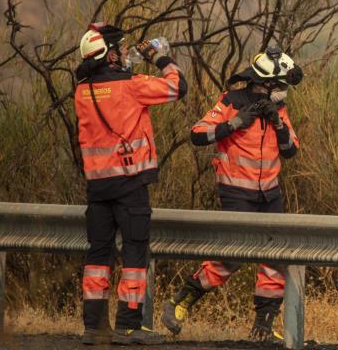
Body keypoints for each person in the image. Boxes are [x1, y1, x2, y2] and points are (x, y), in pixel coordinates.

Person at [162, 47, 302, 343]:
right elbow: (197, 134)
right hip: (237, 191)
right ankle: (181, 300)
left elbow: (290, 151)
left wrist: (277, 123)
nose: (284, 92)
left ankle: (263, 328)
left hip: (270, 195)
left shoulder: (279, 110)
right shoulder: (231, 101)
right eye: (280, 86)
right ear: (264, 83)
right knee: (231, 258)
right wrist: (234, 124)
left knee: (275, 258)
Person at [75, 23, 187, 345]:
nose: (126, 53)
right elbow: (178, 88)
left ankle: (94, 327)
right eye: (121, 48)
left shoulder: (83, 91)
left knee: (98, 256)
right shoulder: (132, 85)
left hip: (98, 188)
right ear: (109, 55)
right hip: (129, 184)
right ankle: (127, 325)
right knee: (135, 254)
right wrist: (161, 58)